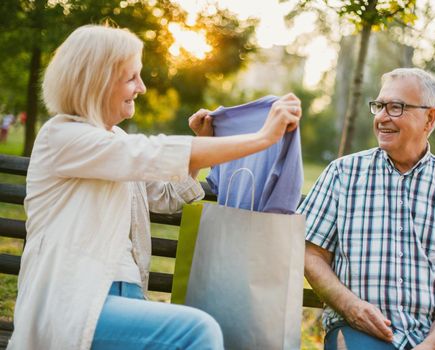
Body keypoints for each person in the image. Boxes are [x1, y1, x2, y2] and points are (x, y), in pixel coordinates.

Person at [8, 25, 301, 350]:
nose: (142, 88)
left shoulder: (113, 141)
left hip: (123, 294)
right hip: (74, 302)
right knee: (197, 331)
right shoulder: (61, 137)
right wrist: (263, 138)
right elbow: (150, 152)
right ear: (98, 81)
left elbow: (165, 196)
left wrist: (202, 145)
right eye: (131, 77)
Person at [299, 68, 435, 350]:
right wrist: (351, 306)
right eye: (379, 106)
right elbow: (311, 254)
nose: (382, 117)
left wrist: (432, 344)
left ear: (429, 117)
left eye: (396, 107)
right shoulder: (342, 174)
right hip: (361, 329)